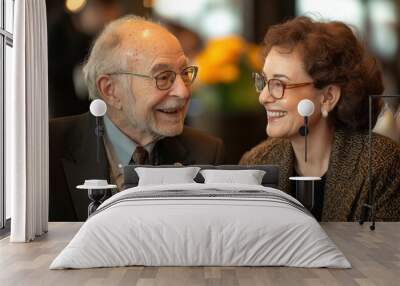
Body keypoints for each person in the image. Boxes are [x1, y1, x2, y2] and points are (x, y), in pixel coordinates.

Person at [50, 15, 224, 222]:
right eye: (163, 77)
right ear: (111, 90)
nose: (183, 92)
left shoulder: (205, 152)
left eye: (185, 73)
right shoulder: (47, 148)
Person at [240, 16, 400, 221]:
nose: (263, 97)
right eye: (263, 81)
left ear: (328, 97)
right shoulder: (255, 163)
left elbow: (380, 252)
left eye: (279, 84)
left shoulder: (382, 165)